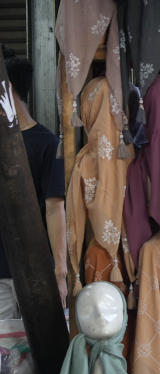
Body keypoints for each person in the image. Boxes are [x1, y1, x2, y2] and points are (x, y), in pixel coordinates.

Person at [1, 54, 67, 315]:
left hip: (36, 270)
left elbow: (55, 208)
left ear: (9, 90)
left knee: (41, 351)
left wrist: (60, 272)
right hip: (2, 272)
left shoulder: (48, 144)